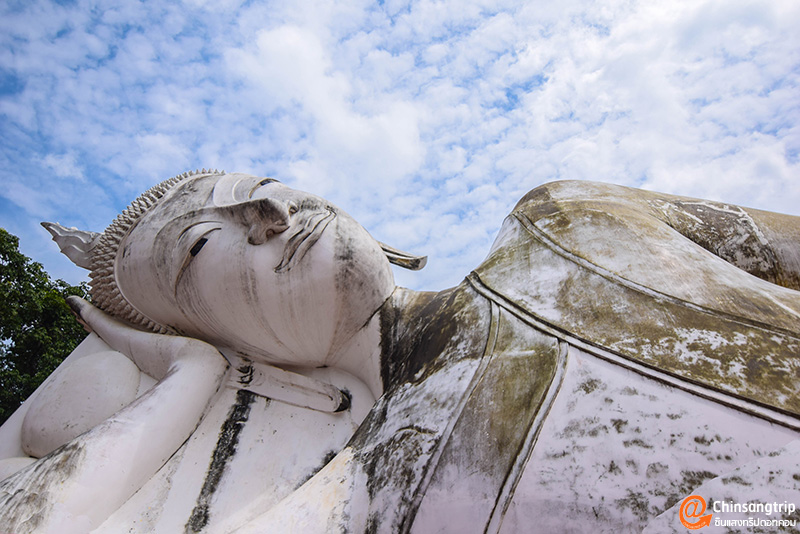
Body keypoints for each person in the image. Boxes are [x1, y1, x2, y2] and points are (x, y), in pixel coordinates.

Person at [0, 171, 798, 533]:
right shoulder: (374, 489)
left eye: (260, 182)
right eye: (206, 245)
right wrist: (188, 378)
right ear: (222, 342)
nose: (273, 210)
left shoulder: (568, 226)